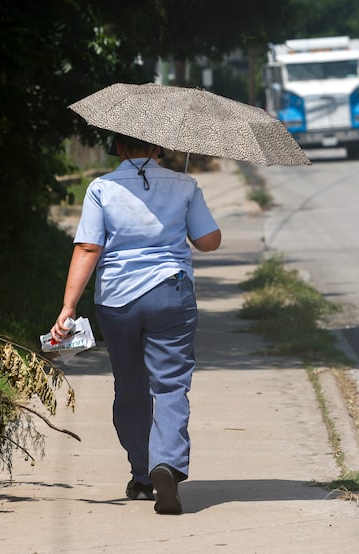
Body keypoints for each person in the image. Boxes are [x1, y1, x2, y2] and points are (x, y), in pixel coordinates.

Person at [49, 133, 221, 515]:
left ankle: (142, 474)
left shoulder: (102, 188)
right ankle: (168, 464)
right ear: (159, 148)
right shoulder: (185, 185)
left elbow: (88, 247)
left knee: (130, 385)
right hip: (170, 295)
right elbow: (209, 241)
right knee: (171, 383)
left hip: (116, 300)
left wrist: (68, 307)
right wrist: (183, 207)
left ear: (120, 148)